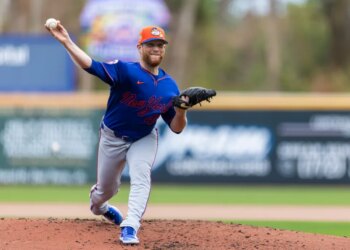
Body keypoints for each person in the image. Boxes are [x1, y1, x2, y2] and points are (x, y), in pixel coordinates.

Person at [45, 22, 188, 245]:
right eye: (151, 44)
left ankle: (130, 226)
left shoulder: (170, 86)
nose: (156, 48)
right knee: (106, 190)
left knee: (142, 176)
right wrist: (66, 42)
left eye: (160, 44)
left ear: (164, 48)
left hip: (144, 136)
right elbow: (91, 65)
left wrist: (180, 111)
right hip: (113, 137)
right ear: (140, 47)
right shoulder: (125, 70)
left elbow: (177, 127)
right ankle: (100, 205)